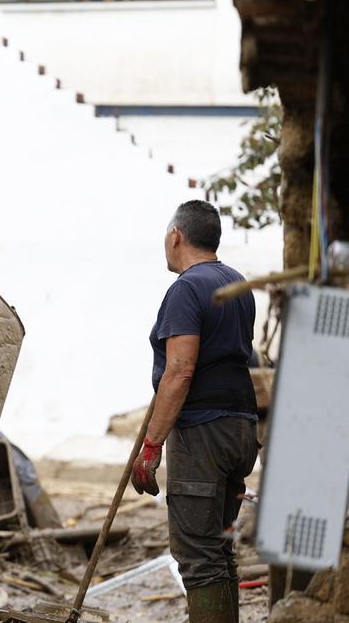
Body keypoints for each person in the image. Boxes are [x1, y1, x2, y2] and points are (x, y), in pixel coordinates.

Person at [131, 200, 259, 623]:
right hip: (241, 428)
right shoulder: (236, 283)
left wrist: (151, 446)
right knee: (218, 549)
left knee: (197, 556)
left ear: (176, 237)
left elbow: (180, 371)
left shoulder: (187, 288)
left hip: (204, 434)